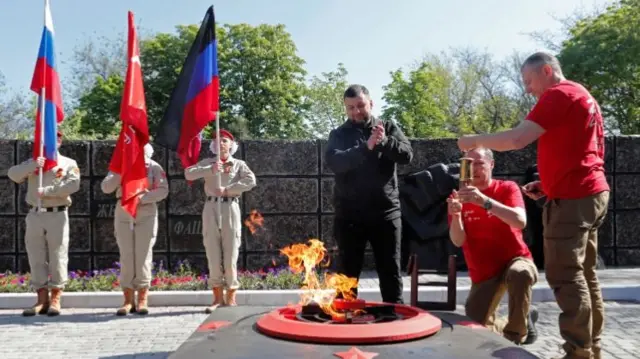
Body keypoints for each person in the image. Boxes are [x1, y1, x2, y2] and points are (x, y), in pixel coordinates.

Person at [457, 52, 609, 359]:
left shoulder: (558, 94)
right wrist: (549, 184)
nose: (528, 90)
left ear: (547, 71)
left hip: (574, 199)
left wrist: (473, 141)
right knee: (585, 275)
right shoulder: (583, 95)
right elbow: (585, 151)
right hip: (589, 192)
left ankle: (578, 353)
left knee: (567, 275)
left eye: (529, 81)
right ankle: (591, 348)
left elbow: (517, 139)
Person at [325, 84, 413, 304]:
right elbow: (336, 162)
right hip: (349, 217)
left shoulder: (389, 127)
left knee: (390, 272)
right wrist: (367, 147)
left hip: (385, 214)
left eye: (360, 105)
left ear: (371, 103)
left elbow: (407, 155)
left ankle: (394, 321)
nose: (356, 111)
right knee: (347, 275)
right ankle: (345, 322)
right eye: (350, 107)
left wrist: (383, 142)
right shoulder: (338, 134)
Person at [447, 147, 539, 345]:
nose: (474, 168)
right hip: (484, 271)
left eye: (479, 163)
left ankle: (515, 338)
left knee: (520, 273)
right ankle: (523, 319)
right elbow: (458, 240)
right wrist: (456, 216)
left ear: (491, 164)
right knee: (476, 328)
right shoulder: (459, 196)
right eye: (468, 164)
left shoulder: (507, 188)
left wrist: (485, 202)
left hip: (516, 258)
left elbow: (520, 221)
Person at [8, 131, 81, 317]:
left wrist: (47, 191)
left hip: (57, 214)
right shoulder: (35, 161)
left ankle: (56, 297)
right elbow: (13, 174)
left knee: (58, 255)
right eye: (47, 138)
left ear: (60, 141)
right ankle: (42, 298)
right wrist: (33, 166)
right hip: (35, 214)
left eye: (55, 138)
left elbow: (73, 185)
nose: (51, 142)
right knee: (36, 255)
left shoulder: (68, 163)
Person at [184, 129, 256, 312]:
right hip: (211, 208)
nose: (221, 143)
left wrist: (228, 189)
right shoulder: (208, 162)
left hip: (230, 206)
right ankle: (216, 295)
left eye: (225, 140)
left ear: (231, 145)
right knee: (212, 249)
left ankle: (231, 293)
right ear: (213, 146)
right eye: (218, 141)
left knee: (231, 250)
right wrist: (210, 169)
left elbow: (251, 181)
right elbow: (188, 174)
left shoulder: (239, 164)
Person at [101, 143, 169, 316]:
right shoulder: (119, 165)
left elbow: (163, 190)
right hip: (124, 210)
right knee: (126, 254)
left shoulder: (153, 167)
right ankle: (127, 299)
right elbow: (106, 187)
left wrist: (143, 197)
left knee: (143, 254)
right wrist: (121, 171)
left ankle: (142, 298)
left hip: (145, 211)